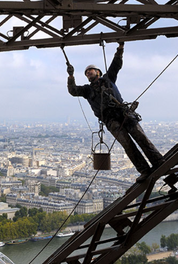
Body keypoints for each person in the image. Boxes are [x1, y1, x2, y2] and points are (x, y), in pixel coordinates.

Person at [67, 42, 164, 180]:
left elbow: (116, 64)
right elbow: (73, 90)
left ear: (98, 72)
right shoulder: (87, 90)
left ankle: (158, 162)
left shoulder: (108, 78)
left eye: (91, 70)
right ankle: (145, 169)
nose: (88, 73)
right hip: (111, 119)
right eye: (87, 73)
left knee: (140, 137)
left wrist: (120, 48)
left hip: (122, 113)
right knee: (128, 145)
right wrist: (71, 77)